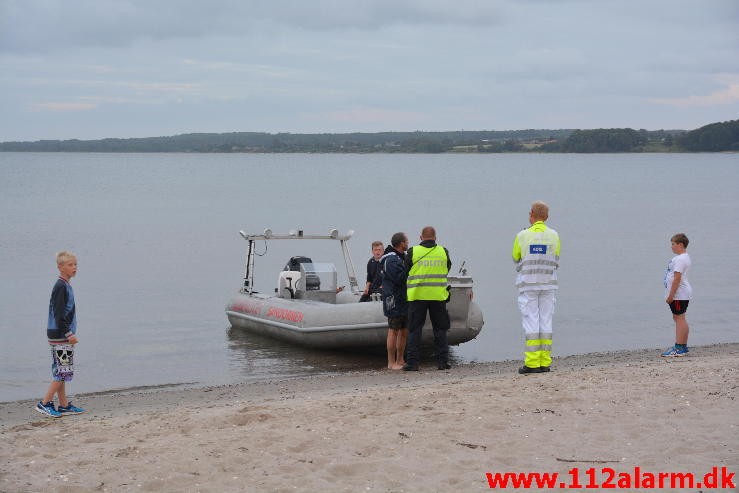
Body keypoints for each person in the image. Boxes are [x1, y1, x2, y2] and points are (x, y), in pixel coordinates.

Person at [512, 201, 560, 375]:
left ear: (531, 214)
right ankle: (544, 362)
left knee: (531, 321)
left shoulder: (522, 235)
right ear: (546, 217)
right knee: (546, 321)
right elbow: (556, 259)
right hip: (548, 284)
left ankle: (532, 363)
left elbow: (515, 257)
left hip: (529, 284)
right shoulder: (554, 235)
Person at [35, 251, 85, 418]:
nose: (74, 268)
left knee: (62, 370)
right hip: (60, 334)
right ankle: (45, 403)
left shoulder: (66, 285)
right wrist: (69, 333)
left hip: (60, 333)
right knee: (62, 371)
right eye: (70, 265)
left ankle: (63, 405)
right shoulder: (60, 286)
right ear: (60, 267)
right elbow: (58, 313)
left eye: (75, 264)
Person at [403, 226, 452, 371]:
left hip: (417, 296)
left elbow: (406, 271)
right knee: (440, 329)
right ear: (435, 238)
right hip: (438, 296)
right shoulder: (443, 251)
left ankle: (412, 363)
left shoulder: (413, 251)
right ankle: (443, 362)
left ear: (420, 237)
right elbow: (447, 268)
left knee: (414, 330)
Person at [380, 232, 409, 370]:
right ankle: (391, 362)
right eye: (406, 241)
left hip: (404, 299)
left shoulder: (401, 257)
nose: (408, 243)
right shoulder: (390, 260)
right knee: (393, 330)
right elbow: (399, 278)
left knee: (404, 330)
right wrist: (409, 268)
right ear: (401, 243)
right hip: (393, 299)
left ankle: (400, 359)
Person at [661, 233, 692, 357]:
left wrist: (671, 296)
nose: (671, 247)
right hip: (681, 294)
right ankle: (683, 346)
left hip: (679, 295)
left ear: (680, 244)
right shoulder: (683, 257)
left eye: (673, 244)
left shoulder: (680, 259)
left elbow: (677, 279)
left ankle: (679, 348)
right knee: (680, 318)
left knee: (679, 319)